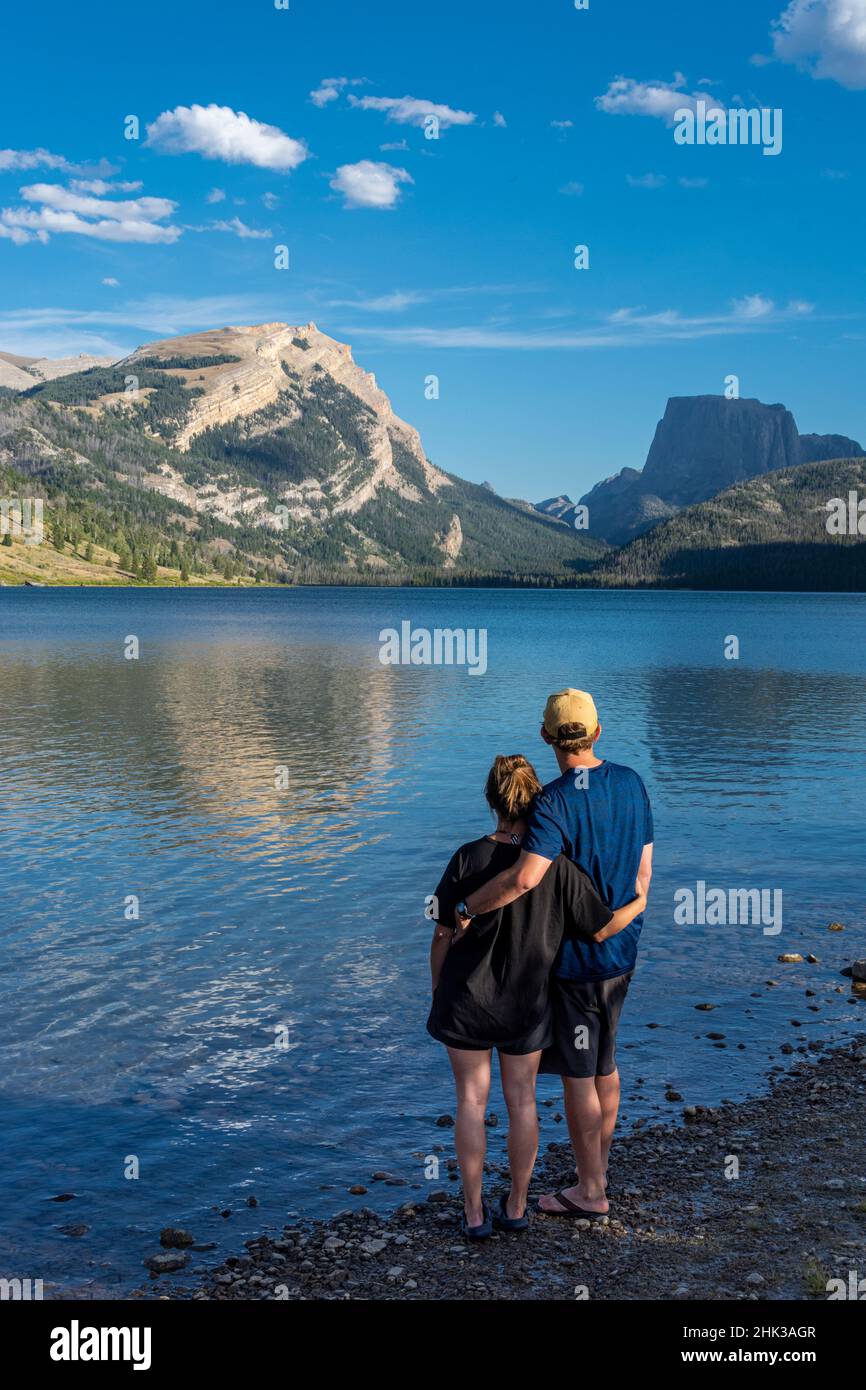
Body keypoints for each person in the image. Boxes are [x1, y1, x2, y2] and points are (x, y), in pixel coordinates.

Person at [428, 753, 647, 1239]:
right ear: (536, 798)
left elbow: (442, 934)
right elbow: (600, 927)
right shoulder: (559, 867)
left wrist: (439, 987)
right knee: (522, 1101)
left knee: (470, 1100)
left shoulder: (466, 857)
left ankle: (473, 1211)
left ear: (491, 800)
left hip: (465, 1000)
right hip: (528, 1004)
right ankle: (518, 1203)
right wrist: (639, 902)